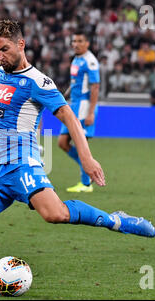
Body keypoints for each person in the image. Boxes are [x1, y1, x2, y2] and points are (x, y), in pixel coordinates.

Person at [0, 20, 155, 294]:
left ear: (20, 44)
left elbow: (68, 116)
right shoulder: (0, 74)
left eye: (5, 49)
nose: (0, 56)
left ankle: (114, 220)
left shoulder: (38, 82)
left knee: (55, 214)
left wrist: (87, 158)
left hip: (24, 164)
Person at [59, 30, 100, 193]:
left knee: (80, 144)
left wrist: (90, 113)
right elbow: (75, 82)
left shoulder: (91, 61)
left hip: (84, 106)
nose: (75, 44)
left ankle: (86, 183)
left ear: (87, 43)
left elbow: (95, 87)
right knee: (62, 142)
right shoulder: (77, 59)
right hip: (73, 105)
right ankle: (90, 167)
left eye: (80, 41)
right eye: (74, 41)